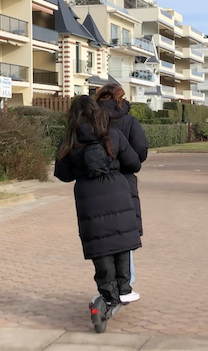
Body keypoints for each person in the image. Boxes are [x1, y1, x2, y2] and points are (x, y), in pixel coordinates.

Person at [54, 95, 142, 307]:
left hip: (88, 194)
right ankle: (124, 289)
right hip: (117, 190)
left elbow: (63, 174)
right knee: (120, 240)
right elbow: (134, 163)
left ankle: (108, 292)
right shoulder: (113, 133)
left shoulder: (70, 140)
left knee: (100, 245)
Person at [95, 83, 149, 297]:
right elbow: (142, 149)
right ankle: (126, 282)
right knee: (124, 229)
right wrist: (130, 162)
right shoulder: (129, 120)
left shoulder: (91, 119)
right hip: (124, 181)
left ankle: (108, 283)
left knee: (101, 231)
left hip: (96, 182)